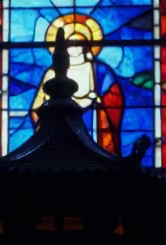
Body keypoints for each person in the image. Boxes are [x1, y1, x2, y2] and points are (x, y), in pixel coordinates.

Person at [31, 16, 124, 154]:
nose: (74, 47)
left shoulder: (100, 71)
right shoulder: (51, 73)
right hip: (58, 128)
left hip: (93, 122)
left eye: (79, 42)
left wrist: (100, 103)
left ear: (86, 44)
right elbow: (36, 107)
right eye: (70, 43)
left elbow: (115, 98)